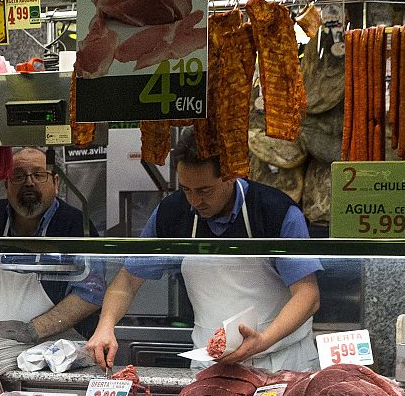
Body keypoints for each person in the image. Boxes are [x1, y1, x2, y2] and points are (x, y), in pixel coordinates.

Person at [86, 127, 322, 371]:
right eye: (186, 189)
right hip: (210, 364)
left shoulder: (275, 212)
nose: (194, 201)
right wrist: (106, 325)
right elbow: (127, 280)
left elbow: (308, 295)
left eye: (204, 190)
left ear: (231, 175)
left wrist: (262, 341)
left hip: (281, 361)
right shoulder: (172, 213)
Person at [0, 147, 104, 343]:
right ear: (6, 184)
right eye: (18, 176)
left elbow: (91, 292)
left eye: (39, 175)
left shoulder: (76, 224)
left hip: (58, 351)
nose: (29, 182)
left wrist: (33, 329)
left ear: (56, 183)